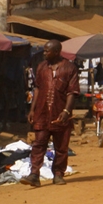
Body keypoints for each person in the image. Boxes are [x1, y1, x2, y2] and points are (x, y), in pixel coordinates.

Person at [22, 40, 80, 187]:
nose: (44, 53)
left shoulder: (69, 68)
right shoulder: (41, 67)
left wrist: (66, 111)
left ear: (56, 52)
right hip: (41, 113)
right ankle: (34, 174)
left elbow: (72, 92)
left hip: (60, 114)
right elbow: (37, 89)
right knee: (38, 144)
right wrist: (32, 109)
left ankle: (59, 174)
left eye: (47, 51)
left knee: (61, 147)